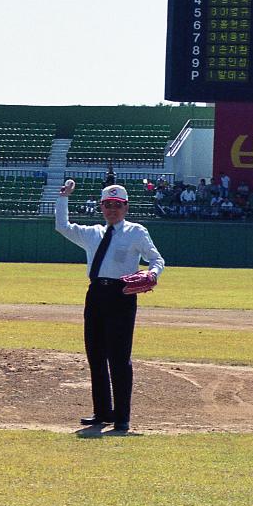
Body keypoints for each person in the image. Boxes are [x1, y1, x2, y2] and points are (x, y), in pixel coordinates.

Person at [55, 181, 164, 434]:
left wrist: (153, 273)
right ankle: (102, 411)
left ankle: (122, 417)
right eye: (107, 205)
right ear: (101, 207)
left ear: (126, 207)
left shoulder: (136, 231)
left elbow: (156, 258)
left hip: (122, 295)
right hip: (95, 294)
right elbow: (62, 226)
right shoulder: (93, 233)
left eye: (117, 205)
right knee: (95, 355)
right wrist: (63, 199)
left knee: (119, 357)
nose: (112, 210)